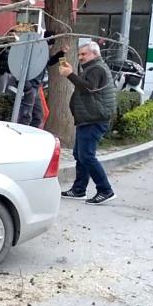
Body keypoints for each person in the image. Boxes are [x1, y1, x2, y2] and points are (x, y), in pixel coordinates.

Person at [60, 41, 117, 205]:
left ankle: (105, 190)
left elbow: (89, 88)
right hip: (88, 118)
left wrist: (70, 74)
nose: (80, 57)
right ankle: (79, 190)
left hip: (94, 118)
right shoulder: (92, 68)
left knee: (86, 155)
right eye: (79, 54)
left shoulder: (97, 69)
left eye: (83, 54)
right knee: (80, 155)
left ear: (94, 53)